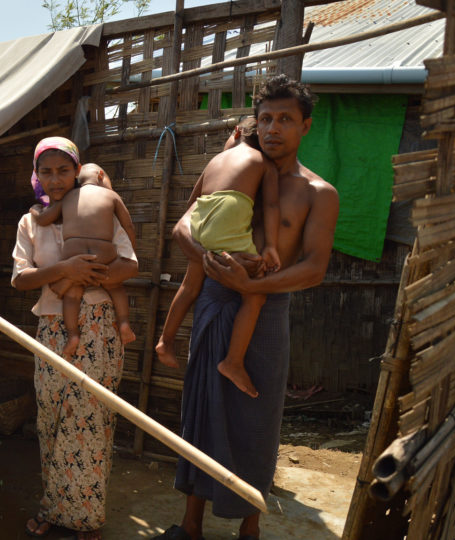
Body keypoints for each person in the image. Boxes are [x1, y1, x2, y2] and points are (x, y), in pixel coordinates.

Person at [154, 74, 339, 540]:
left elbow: (315, 268)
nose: (274, 128)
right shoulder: (235, 168)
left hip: (267, 312)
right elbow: (181, 228)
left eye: (285, 120)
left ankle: (249, 530)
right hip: (216, 304)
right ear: (254, 123)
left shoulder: (318, 192)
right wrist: (219, 270)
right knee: (201, 412)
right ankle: (190, 524)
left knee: (257, 420)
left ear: (306, 127)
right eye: (266, 118)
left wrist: (255, 284)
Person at [13, 137, 139, 540]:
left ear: (77, 170)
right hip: (53, 327)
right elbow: (20, 278)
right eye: (46, 172)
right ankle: (54, 507)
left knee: (91, 421)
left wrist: (91, 276)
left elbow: (130, 263)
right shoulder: (32, 221)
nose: (55, 179)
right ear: (37, 175)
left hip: (100, 326)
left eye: (63, 170)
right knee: (51, 418)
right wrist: (65, 270)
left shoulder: (100, 207)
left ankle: (87, 516)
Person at [155, 117, 280, 398]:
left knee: (189, 286)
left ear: (236, 132)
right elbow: (271, 204)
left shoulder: (214, 162)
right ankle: (233, 362)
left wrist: (204, 233)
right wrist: (270, 244)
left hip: (202, 219)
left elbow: (192, 204)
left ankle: (165, 341)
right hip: (228, 216)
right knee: (255, 296)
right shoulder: (264, 162)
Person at [30, 162, 138, 356]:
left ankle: (72, 335)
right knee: (115, 287)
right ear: (101, 176)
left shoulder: (67, 198)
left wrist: (35, 210)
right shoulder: (112, 196)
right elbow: (127, 225)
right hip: (103, 254)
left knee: (72, 296)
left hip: (73, 254)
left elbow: (44, 219)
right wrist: (131, 246)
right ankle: (123, 323)